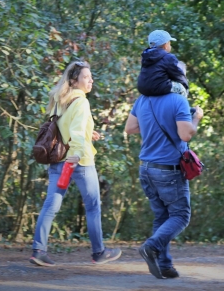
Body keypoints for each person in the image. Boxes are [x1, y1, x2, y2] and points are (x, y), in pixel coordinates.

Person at [29, 61, 122, 267]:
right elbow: (77, 132)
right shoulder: (81, 102)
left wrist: (90, 134)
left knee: (51, 205)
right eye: (86, 77)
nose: (91, 80)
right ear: (74, 80)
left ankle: (39, 250)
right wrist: (78, 153)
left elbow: (66, 128)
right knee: (92, 207)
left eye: (91, 77)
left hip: (59, 162)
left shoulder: (59, 100)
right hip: (79, 163)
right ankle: (99, 253)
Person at [124, 90, 204, 279]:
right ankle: (150, 247)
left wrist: (154, 126)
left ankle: (164, 265)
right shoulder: (178, 100)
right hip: (168, 170)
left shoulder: (143, 99)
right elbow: (186, 135)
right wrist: (197, 118)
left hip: (146, 168)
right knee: (181, 216)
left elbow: (130, 128)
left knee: (162, 217)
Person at [137, 30, 189, 97]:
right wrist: (185, 86)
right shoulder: (169, 57)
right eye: (169, 43)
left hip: (143, 88)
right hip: (158, 87)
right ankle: (182, 105)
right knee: (181, 88)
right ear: (165, 45)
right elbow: (178, 75)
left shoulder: (145, 56)